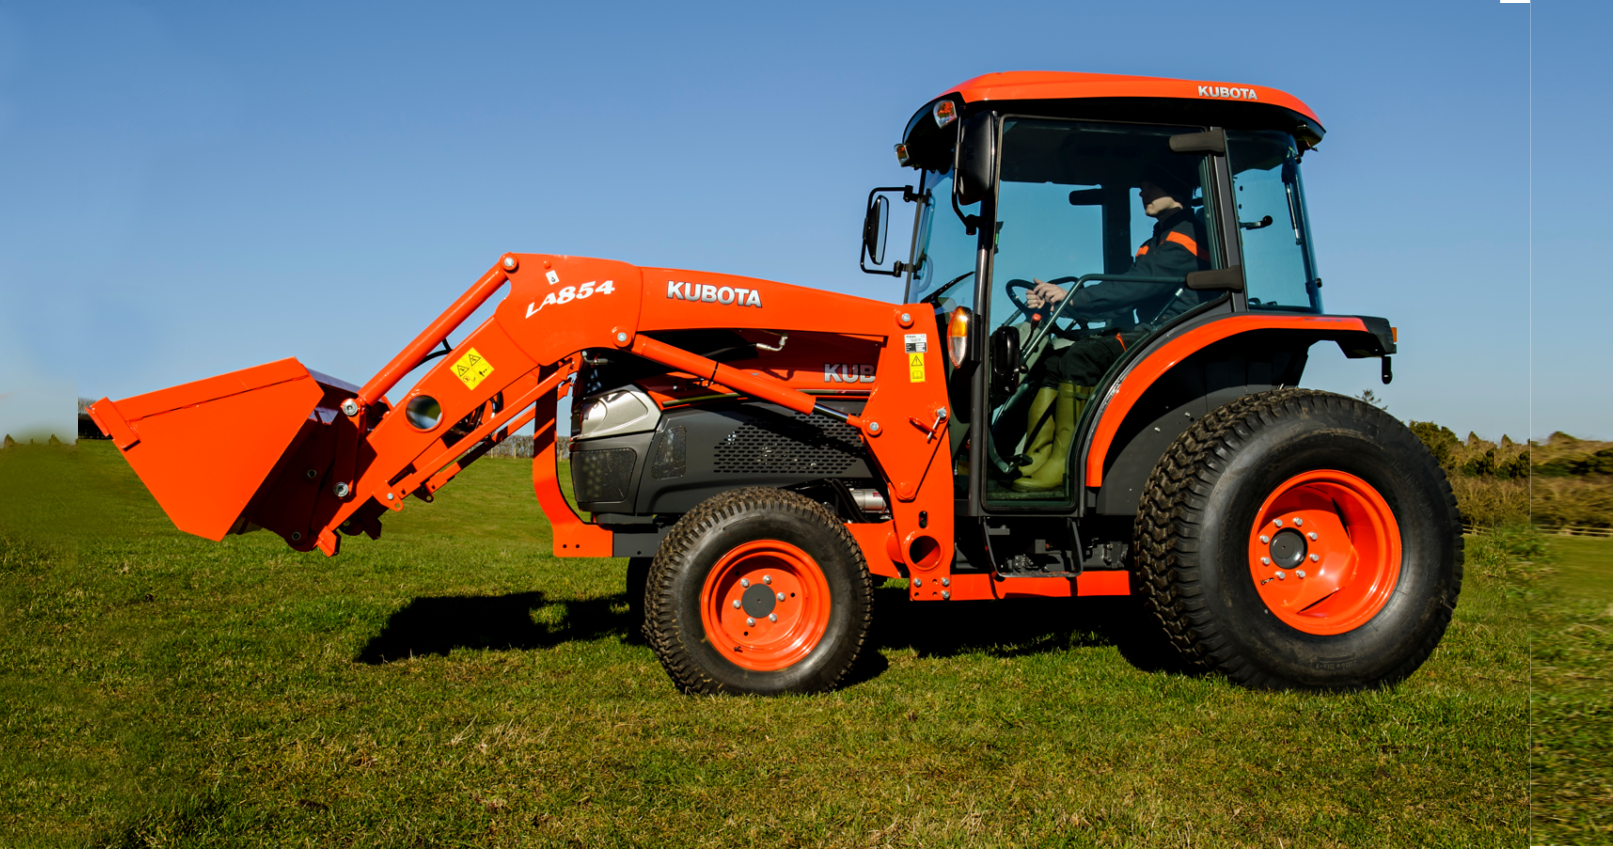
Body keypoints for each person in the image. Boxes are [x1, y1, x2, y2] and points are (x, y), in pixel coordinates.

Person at [1011, 167, 1211, 492]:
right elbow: (1123, 298)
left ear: (1172, 188)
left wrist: (1074, 298)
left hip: (1173, 334)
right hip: (1150, 330)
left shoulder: (1187, 236)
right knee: (1052, 360)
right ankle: (1037, 456)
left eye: (1148, 186)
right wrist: (1057, 303)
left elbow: (1133, 288)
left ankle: (1067, 463)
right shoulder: (1155, 241)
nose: (1141, 193)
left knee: (1082, 357)